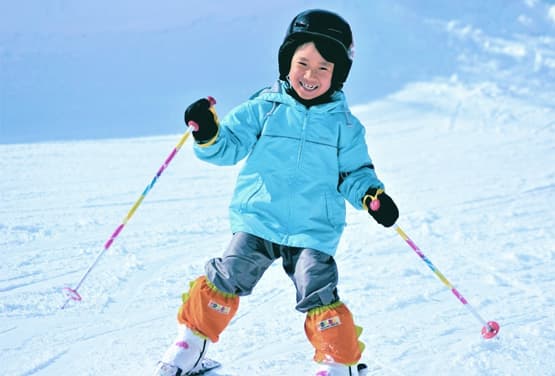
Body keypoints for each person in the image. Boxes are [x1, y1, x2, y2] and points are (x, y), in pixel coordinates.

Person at [154, 9, 399, 376]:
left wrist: (371, 197)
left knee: (317, 291)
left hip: (312, 230)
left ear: (338, 75)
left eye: (323, 68)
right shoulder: (264, 108)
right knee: (226, 276)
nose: (310, 75)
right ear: (287, 62)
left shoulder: (345, 126)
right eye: (302, 63)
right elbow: (228, 146)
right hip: (258, 219)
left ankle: (337, 363)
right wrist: (207, 132)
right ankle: (188, 347)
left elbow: (354, 173)